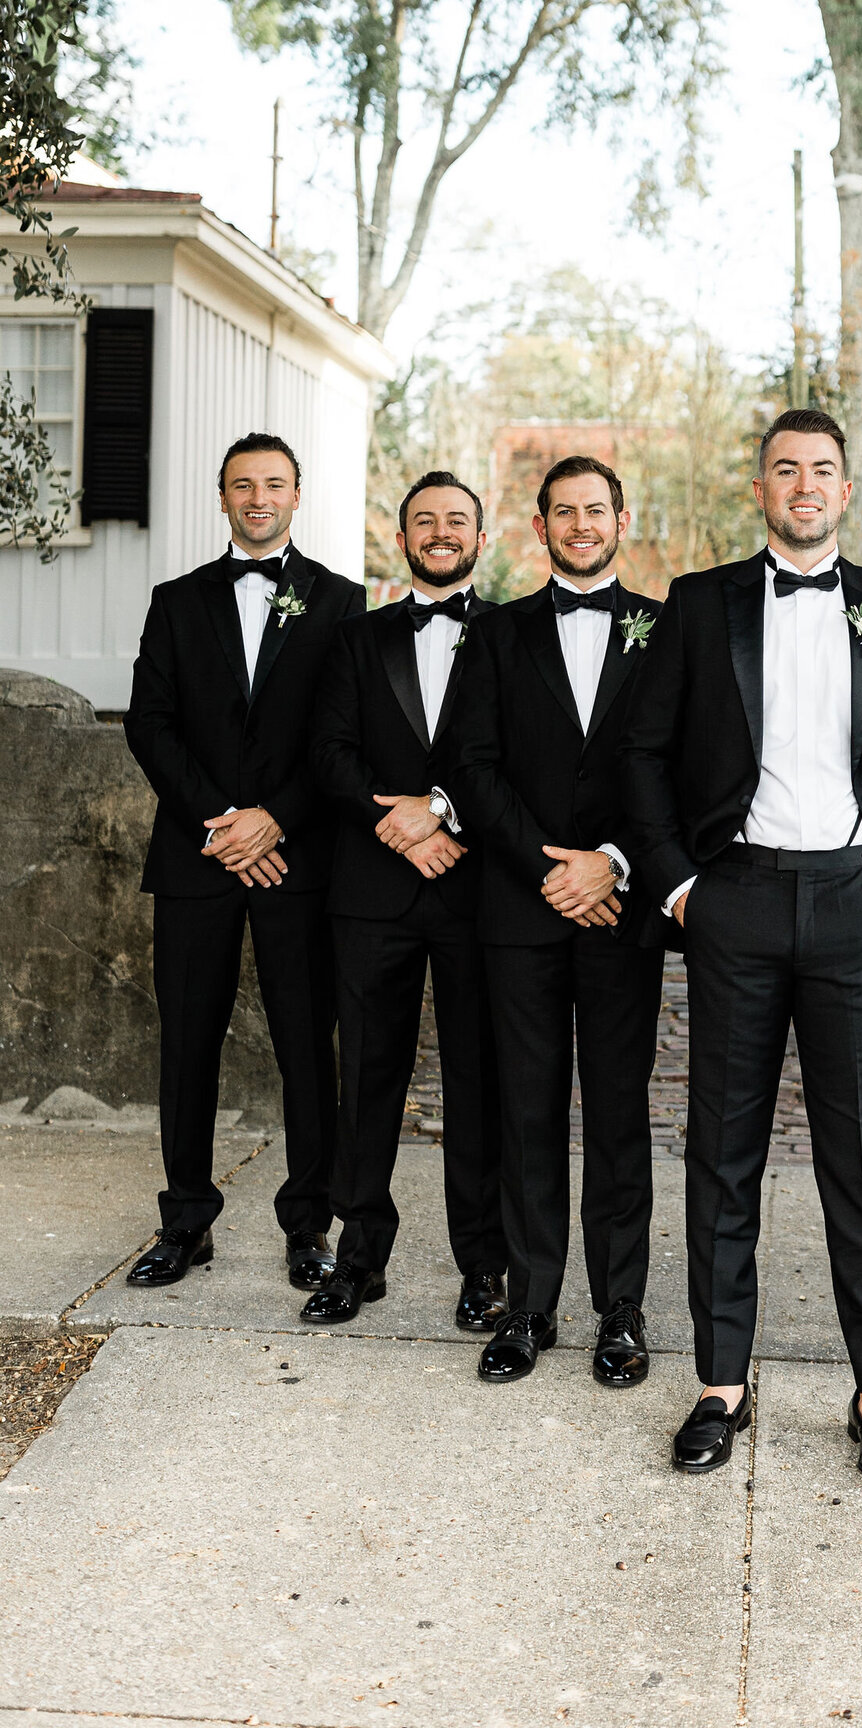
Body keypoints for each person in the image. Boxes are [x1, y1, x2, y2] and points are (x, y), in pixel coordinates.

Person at [621, 408, 862, 1487]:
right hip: (735, 901)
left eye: (822, 470)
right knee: (720, 1153)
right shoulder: (699, 603)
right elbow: (645, 754)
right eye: (785, 469)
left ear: (845, 488)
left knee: (858, 1164)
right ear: (759, 487)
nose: (803, 486)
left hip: (860, 904)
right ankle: (721, 1381)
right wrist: (681, 887)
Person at [123, 434, 365, 1289]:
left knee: (309, 1043)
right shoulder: (176, 600)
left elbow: (342, 737)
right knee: (188, 1043)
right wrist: (223, 823)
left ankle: (309, 1225)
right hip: (198, 858)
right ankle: (186, 1220)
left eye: (273, 484)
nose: (258, 497)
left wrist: (275, 822)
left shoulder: (342, 602)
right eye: (242, 485)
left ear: (298, 493)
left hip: (299, 862)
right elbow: (149, 723)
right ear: (221, 497)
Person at [452, 456, 665, 1390]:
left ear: (624, 518)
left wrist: (611, 861)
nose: (581, 524)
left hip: (621, 908)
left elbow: (685, 774)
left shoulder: (669, 631)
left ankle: (621, 1308)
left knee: (618, 1114)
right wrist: (550, 867)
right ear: (539, 527)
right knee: (527, 1112)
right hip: (521, 909)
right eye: (563, 512)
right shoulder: (495, 633)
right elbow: (473, 765)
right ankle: (530, 1306)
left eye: (596, 509)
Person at [305, 471, 505, 1330]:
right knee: (370, 1079)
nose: (440, 532)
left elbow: (516, 756)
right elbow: (326, 750)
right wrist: (394, 826)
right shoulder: (356, 639)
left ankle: (484, 1265)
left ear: (481, 538)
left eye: (456, 520)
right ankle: (358, 1260)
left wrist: (443, 815)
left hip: (476, 891)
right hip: (372, 891)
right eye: (425, 521)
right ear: (401, 539)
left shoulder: (510, 634)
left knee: (477, 1080)